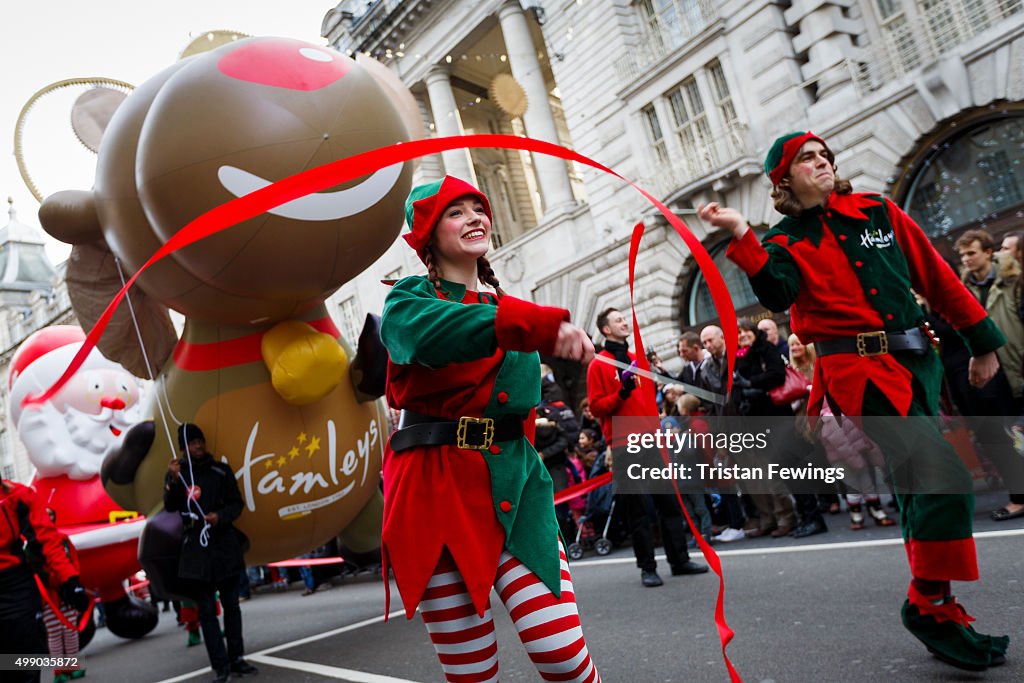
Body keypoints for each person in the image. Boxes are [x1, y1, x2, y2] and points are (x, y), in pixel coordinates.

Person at [699, 130, 1009, 670]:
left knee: (917, 485)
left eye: (824, 155)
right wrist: (741, 233)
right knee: (943, 474)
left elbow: (937, 279)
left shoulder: (879, 211)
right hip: (858, 374)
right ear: (783, 180)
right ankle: (929, 603)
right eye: (805, 159)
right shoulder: (784, 241)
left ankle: (938, 606)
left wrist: (982, 344)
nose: (820, 162)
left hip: (917, 364)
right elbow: (776, 292)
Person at [379, 175, 601, 683]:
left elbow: (520, 414)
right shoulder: (408, 300)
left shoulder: (509, 310)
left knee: (561, 653)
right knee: (472, 673)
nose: (474, 218)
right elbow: (430, 336)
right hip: (434, 494)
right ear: (429, 235)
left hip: (514, 486)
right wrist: (538, 326)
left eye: (477, 208)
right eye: (455, 213)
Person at [587, 306, 708, 586]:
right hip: (623, 444)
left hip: (652, 441)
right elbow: (596, 407)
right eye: (618, 320)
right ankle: (647, 567)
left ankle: (679, 559)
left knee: (669, 502)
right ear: (606, 329)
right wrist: (622, 392)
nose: (624, 322)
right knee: (638, 509)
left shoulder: (635, 360)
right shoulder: (599, 364)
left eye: (624, 318)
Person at [164, 423, 258, 683]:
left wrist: (221, 516)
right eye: (193, 443)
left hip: (224, 543)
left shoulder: (220, 470)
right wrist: (172, 480)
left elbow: (236, 503)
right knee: (207, 611)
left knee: (232, 606)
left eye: (200, 442)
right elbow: (170, 507)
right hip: (196, 547)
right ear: (184, 448)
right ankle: (220, 666)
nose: (199, 446)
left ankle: (237, 658)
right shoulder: (178, 474)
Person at [954, 229, 1024, 521]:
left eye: (971, 252)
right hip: (991, 377)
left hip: (1016, 366)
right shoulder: (961, 289)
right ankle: (1018, 497)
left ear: (988, 251)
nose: (967, 259)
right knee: (1005, 440)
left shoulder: (1013, 281)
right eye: (962, 255)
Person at [0, 480, 88, 683]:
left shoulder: (17, 495)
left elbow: (46, 539)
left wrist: (70, 580)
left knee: (26, 660)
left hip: (15, 588)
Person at [41, 510, 85, 683]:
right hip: (48, 595)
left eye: (51, 516)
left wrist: (73, 583)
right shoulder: (33, 543)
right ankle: (60, 670)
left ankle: (72, 666)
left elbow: (74, 562)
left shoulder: (63, 538)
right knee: (54, 633)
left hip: (66, 590)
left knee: (70, 630)